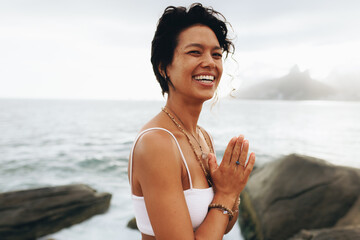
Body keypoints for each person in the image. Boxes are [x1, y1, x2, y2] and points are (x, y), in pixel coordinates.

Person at [128, 3, 255, 240]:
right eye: (195, 52)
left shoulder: (202, 136)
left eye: (216, 54)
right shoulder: (157, 143)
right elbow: (221, 208)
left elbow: (222, 224)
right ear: (164, 67)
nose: (209, 62)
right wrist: (226, 194)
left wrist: (232, 190)